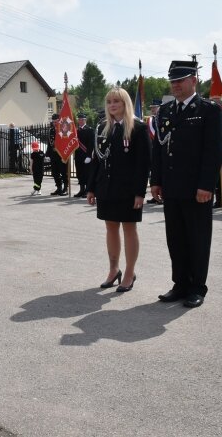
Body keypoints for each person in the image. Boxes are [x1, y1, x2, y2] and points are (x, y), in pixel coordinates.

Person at [150, 60, 222, 309]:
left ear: (194, 80)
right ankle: (180, 283)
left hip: (196, 190)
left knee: (198, 238)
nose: (175, 86)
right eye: (172, 81)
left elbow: (213, 152)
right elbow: (160, 149)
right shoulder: (166, 111)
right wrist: (156, 181)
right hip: (172, 188)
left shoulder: (209, 111)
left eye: (180, 81)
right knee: (176, 239)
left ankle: (197, 287)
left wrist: (206, 185)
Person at [87, 88, 151, 292]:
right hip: (106, 188)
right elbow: (97, 160)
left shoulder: (138, 128)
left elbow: (143, 163)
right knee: (110, 228)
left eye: (117, 101)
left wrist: (140, 192)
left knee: (129, 229)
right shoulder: (103, 128)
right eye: (109, 102)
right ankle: (114, 269)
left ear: (125, 103)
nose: (112, 105)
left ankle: (130, 272)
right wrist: (91, 188)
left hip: (128, 190)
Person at [145, 100, 163, 204]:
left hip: (162, 149)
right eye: (151, 107)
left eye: (154, 107)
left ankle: (162, 194)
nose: (152, 109)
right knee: (154, 173)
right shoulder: (150, 120)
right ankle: (155, 195)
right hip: (153, 149)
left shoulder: (163, 118)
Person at [74, 112, 94, 198]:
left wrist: (89, 156)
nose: (80, 121)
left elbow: (91, 144)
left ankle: (87, 190)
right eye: (79, 120)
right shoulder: (75, 131)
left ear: (85, 120)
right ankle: (81, 190)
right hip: (78, 155)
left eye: (82, 119)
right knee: (80, 173)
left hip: (86, 155)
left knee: (87, 174)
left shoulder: (90, 130)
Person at [48, 113, 68, 195]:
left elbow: (66, 141)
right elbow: (49, 143)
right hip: (54, 153)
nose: (55, 123)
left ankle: (66, 188)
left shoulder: (63, 129)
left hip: (62, 154)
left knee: (63, 171)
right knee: (55, 172)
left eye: (56, 121)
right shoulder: (51, 130)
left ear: (59, 121)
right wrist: (48, 154)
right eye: (53, 121)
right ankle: (59, 187)